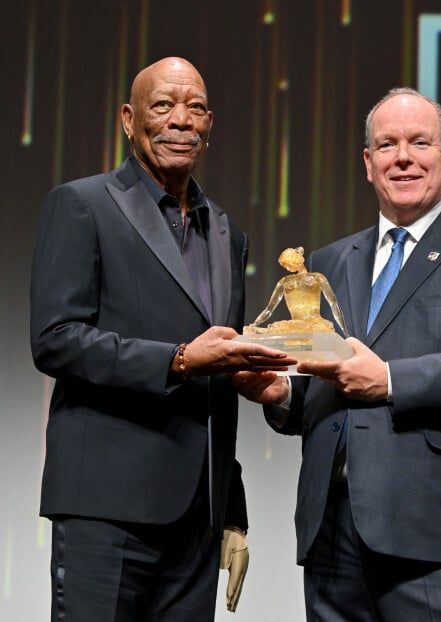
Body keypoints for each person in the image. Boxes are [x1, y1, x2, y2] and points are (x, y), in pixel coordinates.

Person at [234, 87, 441, 621]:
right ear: (368, 163)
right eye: (386, 145)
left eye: (419, 142)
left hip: (437, 537)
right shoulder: (333, 259)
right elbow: (327, 382)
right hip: (332, 535)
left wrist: (392, 380)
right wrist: (282, 395)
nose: (402, 157)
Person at [30, 56, 295, 621]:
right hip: (106, 508)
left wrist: (231, 508)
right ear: (129, 119)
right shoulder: (83, 204)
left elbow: (218, 379)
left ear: (210, 124)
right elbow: (55, 339)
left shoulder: (228, 233)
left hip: (195, 519)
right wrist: (177, 360)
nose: (180, 121)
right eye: (163, 106)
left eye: (195, 108)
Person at [247, 246, 349, 335]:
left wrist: (345, 331)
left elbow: (333, 303)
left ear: (296, 260)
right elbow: (269, 309)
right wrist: (255, 323)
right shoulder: (285, 281)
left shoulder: (317, 278)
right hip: (294, 325)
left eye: (288, 265)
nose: (287, 268)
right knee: (272, 331)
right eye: (285, 266)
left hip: (315, 324)